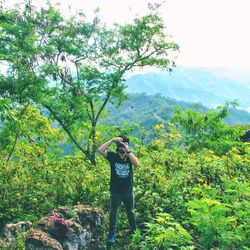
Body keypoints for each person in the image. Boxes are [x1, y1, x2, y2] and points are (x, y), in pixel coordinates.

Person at [98, 135, 139, 245]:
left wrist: (128, 150)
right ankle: (111, 234)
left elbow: (137, 164)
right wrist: (112, 140)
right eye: (120, 145)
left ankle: (134, 232)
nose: (122, 147)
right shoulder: (113, 156)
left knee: (130, 212)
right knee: (113, 212)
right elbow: (100, 150)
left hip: (128, 192)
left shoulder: (130, 157)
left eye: (124, 144)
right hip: (115, 191)